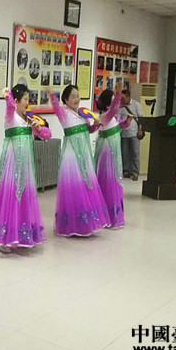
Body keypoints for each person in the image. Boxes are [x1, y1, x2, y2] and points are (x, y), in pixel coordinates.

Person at [0, 85, 51, 252]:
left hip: (25, 165)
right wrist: (7, 96)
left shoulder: (28, 120)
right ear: (17, 101)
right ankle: (3, 238)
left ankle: (21, 234)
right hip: (12, 162)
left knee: (23, 198)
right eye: (25, 100)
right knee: (10, 197)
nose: (28, 103)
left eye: (29, 99)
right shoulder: (11, 117)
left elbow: (47, 135)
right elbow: (9, 107)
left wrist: (38, 128)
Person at [51, 85, 110, 236]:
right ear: (66, 100)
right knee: (75, 188)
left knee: (86, 185)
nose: (76, 99)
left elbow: (88, 129)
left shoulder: (82, 114)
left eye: (77, 96)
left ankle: (86, 223)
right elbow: (56, 107)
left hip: (84, 155)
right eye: (73, 97)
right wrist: (51, 95)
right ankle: (72, 225)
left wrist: (95, 125)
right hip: (71, 156)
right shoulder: (64, 113)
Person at [94, 82, 133, 228]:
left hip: (113, 152)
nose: (115, 101)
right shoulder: (105, 116)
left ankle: (113, 215)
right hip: (107, 152)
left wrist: (127, 122)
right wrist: (118, 94)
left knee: (115, 179)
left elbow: (119, 125)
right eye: (112, 99)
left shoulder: (111, 117)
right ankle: (108, 216)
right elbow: (114, 110)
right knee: (109, 181)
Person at [117, 88, 143, 181]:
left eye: (123, 98)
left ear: (128, 97)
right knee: (125, 154)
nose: (122, 100)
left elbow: (141, 119)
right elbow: (118, 119)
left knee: (135, 154)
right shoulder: (120, 107)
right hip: (124, 133)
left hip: (134, 133)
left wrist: (140, 130)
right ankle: (126, 171)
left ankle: (135, 172)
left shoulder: (136, 105)